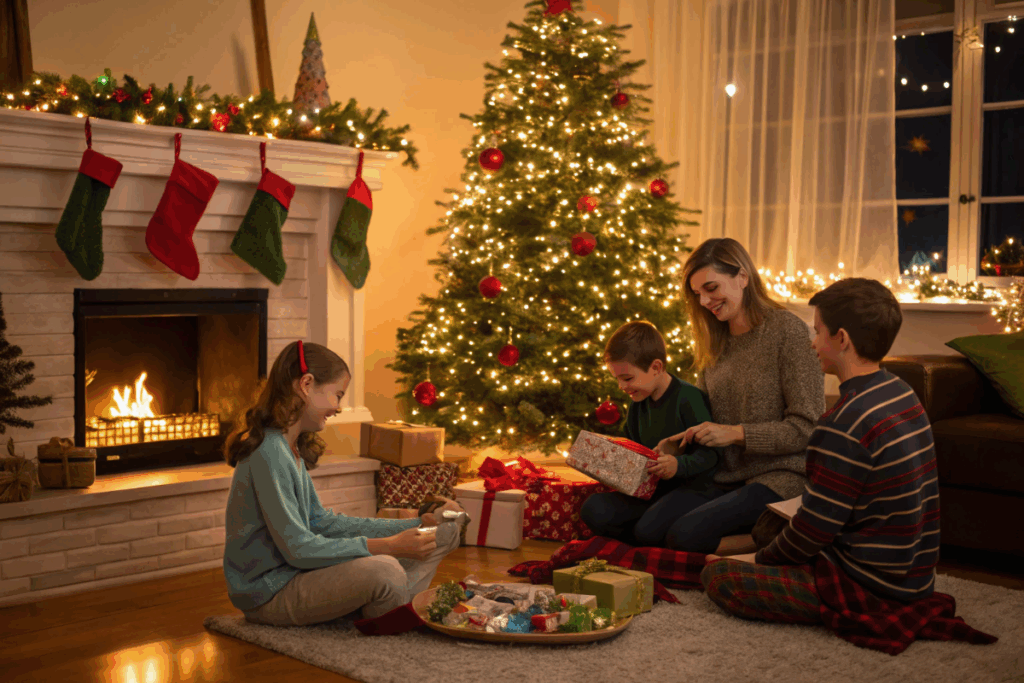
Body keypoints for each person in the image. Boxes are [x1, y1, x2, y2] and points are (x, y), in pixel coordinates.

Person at [701, 277, 940, 623]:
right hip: (916, 572)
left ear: (841, 339)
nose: (812, 343)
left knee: (719, 577)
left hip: (870, 581)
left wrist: (752, 561)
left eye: (817, 332)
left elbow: (815, 530)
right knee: (770, 526)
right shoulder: (900, 390)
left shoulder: (842, 422)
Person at [222, 340, 465, 626]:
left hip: (302, 575)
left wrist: (418, 525)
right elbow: (299, 550)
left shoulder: (291, 448)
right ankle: (389, 610)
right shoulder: (269, 452)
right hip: (271, 592)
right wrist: (388, 546)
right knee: (385, 569)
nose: (338, 407)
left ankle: (389, 606)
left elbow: (323, 524)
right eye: (338, 395)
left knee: (445, 532)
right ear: (307, 384)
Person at [659, 238, 825, 554]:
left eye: (711, 288)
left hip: (781, 475)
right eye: (698, 294)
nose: (705, 301)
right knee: (649, 527)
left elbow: (807, 427)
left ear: (743, 277)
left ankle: (779, 541)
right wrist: (681, 441)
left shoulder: (786, 330)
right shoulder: (714, 339)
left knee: (682, 537)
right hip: (724, 475)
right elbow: (711, 422)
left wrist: (735, 434)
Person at [580, 321, 720, 547]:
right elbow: (633, 449)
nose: (621, 387)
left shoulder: (688, 398)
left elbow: (712, 456)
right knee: (593, 508)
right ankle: (644, 536)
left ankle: (645, 537)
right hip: (652, 491)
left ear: (656, 367)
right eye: (617, 379)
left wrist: (678, 465)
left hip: (692, 489)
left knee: (648, 531)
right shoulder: (638, 402)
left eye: (627, 378)